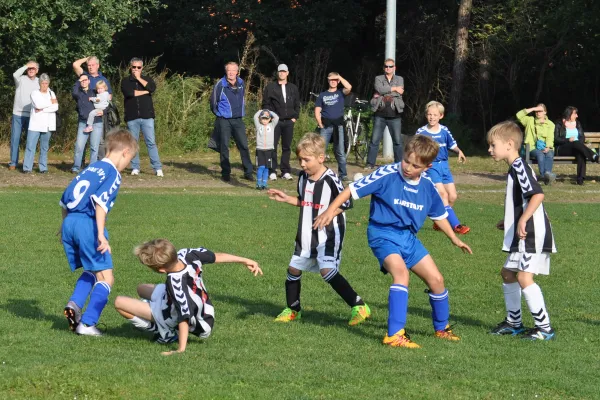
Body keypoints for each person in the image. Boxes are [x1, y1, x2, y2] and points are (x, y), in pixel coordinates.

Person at [313, 135, 472, 348]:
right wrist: (330, 211)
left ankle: (441, 328)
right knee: (401, 274)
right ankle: (394, 335)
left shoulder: (427, 186)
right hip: (383, 234)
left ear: (428, 166)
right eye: (406, 160)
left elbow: (439, 215)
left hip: (409, 239)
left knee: (437, 280)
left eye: (415, 165)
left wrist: (454, 238)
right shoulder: (387, 174)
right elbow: (351, 190)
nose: (408, 167)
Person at [267, 133, 371, 325]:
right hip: (306, 233)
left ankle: (359, 306)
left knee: (327, 270)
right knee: (293, 269)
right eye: (300, 159)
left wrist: (329, 213)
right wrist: (287, 199)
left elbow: (347, 202)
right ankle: (293, 309)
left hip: (329, 233)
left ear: (321, 158)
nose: (303, 164)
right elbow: (304, 201)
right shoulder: (303, 178)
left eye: (306, 159)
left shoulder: (331, 179)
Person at [114, 239, 262, 355]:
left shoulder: (176, 285)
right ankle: (157, 318)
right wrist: (245, 260)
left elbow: (184, 316)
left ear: (160, 270)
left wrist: (180, 349)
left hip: (190, 319)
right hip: (203, 308)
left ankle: (163, 331)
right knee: (141, 288)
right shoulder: (187, 254)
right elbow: (217, 256)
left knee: (119, 302)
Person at [61, 129, 138, 336]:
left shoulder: (90, 168)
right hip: (88, 224)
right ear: (126, 151)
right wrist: (101, 234)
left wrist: (63, 227)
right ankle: (87, 324)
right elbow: (100, 204)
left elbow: (64, 198)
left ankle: (75, 305)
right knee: (106, 277)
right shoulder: (113, 173)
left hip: (69, 221)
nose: (128, 164)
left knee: (92, 270)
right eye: (130, 159)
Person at [487, 121, 556, 340]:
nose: (489, 150)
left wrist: (523, 219)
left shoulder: (519, 167)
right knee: (508, 274)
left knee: (525, 277)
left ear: (509, 144)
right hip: (523, 232)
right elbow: (522, 201)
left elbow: (537, 195)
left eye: (492, 145)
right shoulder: (514, 168)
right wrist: (509, 220)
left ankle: (544, 328)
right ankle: (514, 322)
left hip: (532, 234)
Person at [416, 101, 470, 234]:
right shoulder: (421, 132)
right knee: (443, 194)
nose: (431, 117)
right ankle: (456, 226)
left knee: (452, 196)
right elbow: (415, 149)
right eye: (429, 114)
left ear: (441, 115)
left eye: (435, 115)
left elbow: (452, 144)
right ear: (426, 115)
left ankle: (439, 221)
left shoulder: (444, 130)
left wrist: (459, 151)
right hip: (431, 167)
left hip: (444, 167)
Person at [210, 61, 254, 182]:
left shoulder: (241, 83)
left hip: (238, 120)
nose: (231, 72)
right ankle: (226, 174)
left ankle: (248, 172)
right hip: (224, 120)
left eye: (233, 70)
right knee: (224, 147)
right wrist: (220, 114)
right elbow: (213, 103)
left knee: (244, 146)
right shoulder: (220, 84)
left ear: (237, 72)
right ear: (226, 71)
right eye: (229, 70)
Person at [121, 57, 164, 177]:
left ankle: (157, 167)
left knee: (151, 142)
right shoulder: (125, 81)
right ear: (130, 67)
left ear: (142, 68)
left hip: (147, 116)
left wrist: (139, 78)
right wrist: (145, 92)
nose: (136, 69)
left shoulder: (147, 79)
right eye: (134, 67)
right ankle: (135, 167)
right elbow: (130, 93)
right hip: (132, 116)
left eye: (138, 67)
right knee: (133, 143)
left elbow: (152, 88)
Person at [262, 64, 300, 181]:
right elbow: (265, 104)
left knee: (286, 147)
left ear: (287, 73)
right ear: (277, 73)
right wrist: (269, 118)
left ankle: (285, 171)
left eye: (284, 71)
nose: (282, 73)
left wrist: (295, 117)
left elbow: (297, 103)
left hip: (289, 121)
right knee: (272, 146)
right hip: (275, 122)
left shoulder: (293, 87)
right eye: (280, 72)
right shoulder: (270, 87)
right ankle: (272, 171)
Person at [366, 58, 405, 170]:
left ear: (394, 68)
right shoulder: (378, 78)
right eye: (386, 66)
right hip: (380, 115)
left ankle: (399, 164)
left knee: (397, 141)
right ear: (384, 68)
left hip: (395, 115)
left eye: (390, 66)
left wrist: (383, 92)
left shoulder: (400, 79)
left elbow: (400, 92)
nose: (388, 68)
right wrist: (394, 89)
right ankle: (370, 164)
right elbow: (379, 88)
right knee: (374, 140)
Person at [72, 56, 112, 159]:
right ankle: (80, 164)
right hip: (84, 114)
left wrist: (104, 111)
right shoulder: (84, 76)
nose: (90, 67)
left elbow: (109, 98)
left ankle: (98, 164)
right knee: (82, 142)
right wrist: (87, 58)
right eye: (88, 65)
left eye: (93, 65)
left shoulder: (103, 80)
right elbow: (75, 64)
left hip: (98, 114)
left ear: (98, 66)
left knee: (99, 142)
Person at [314, 72, 352, 181]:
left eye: (335, 80)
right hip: (325, 126)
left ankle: (343, 174)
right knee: (321, 151)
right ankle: (317, 173)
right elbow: (317, 111)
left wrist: (339, 76)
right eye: (331, 79)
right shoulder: (322, 95)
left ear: (338, 81)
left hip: (338, 126)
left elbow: (349, 87)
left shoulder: (341, 92)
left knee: (340, 150)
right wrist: (320, 123)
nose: (333, 81)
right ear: (328, 80)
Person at [554, 106, 599, 185]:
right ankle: (594, 156)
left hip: (576, 146)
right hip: (562, 148)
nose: (577, 116)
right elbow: (556, 139)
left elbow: (582, 137)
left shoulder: (577, 123)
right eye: (575, 114)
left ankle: (580, 179)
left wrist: (577, 142)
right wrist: (568, 140)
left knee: (580, 153)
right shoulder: (559, 123)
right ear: (569, 114)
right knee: (576, 143)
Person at [22, 74, 58, 174]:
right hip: (35, 124)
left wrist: (43, 108)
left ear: (48, 83)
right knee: (30, 146)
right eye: (42, 83)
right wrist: (50, 103)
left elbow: (56, 107)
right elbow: (38, 104)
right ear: (39, 83)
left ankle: (43, 167)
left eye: (46, 83)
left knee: (44, 147)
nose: (44, 85)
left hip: (47, 125)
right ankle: (27, 168)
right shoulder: (34, 93)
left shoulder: (51, 93)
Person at [9, 61, 39, 170]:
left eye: (33, 68)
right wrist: (26, 65)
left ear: (37, 70)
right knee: (15, 138)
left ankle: (27, 163)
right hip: (18, 113)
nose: (31, 70)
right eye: (29, 68)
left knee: (30, 140)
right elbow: (15, 74)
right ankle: (13, 163)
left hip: (32, 115)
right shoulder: (20, 79)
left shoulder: (39, 82)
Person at [71, 75, 104, 173]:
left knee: (94, 147)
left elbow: (106, 102)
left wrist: (104, 112)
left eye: (85, 80)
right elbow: (74, 92)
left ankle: (92, 168)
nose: (83, 81)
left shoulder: (94, 92)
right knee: (79, 146)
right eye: (82, 80)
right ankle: (76, 167)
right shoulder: (78, 93)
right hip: (83, 123)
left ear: (89, 81)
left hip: (97, 122)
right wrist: (78, 80)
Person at [516, 104, 556, 184]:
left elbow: (550, 137)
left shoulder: (551, 124)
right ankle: (544, 176)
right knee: (540, 154)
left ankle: (547, 175)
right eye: (536, 111)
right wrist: (533, 108)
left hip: (545, 147)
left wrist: (548, 147)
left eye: (540, 111)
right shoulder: (529, 120)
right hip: (531, 147)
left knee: (550, 153)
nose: (538, 113)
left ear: (545, 112)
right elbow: (518, 115)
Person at [254, 109, 279, 189]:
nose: (264, 120)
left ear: (269, 119)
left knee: (266, 167)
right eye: (263, 118)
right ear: (260, 119)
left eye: (266, 118)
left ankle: (264, 183)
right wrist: (260, 111)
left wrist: (269, 111)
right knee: (261, 167)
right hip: (260, 150)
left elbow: (277, 117)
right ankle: (259, 183)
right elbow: (255, 117)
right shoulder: (258, 126)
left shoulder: (272, 125)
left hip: (269, 150)